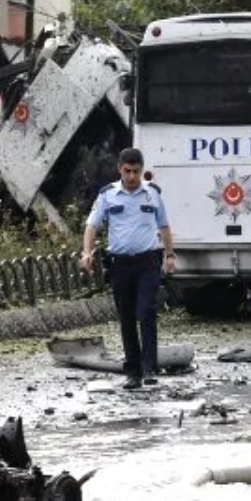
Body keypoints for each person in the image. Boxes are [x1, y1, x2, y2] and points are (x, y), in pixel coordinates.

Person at [80, 148, 177, 389]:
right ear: (120, 169)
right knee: (126, 318)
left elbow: (164, 226)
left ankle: (149, 368)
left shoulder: (152, 194)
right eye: (127, 171)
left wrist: (170, 255)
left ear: (142, 170)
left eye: (136, 171)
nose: (132, 176)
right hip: (120, 264)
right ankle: (133, 370)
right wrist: (87, 252)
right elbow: (92, 226)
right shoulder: (107, 195)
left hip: (148, 263)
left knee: (146, 313)